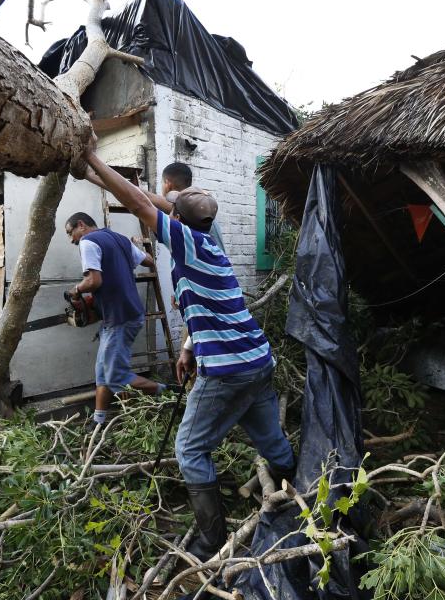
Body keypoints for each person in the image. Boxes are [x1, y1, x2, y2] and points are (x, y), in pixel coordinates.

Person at [82, 150, 295, 560]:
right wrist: (188, 347)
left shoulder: (186, 242)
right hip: (257, 361)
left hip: (229, 370)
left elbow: (143, 204)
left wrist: (92, 160)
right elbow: (159, 202)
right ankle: (295, 485)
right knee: (270, 439)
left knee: (191, 449)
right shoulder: (208, 243)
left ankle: (210, 537)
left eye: (171, 210)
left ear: (176, 220)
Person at [64, 212, 169, 429]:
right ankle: (98, 421)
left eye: (70, 232)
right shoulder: (118, 238)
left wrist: (75, 290)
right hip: (125, 313)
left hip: (120, 317)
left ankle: (166, 392)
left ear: (81, 225)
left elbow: (93, 280)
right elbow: (149, 261)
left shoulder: (88, 241)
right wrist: (134, 248)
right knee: (103, 372)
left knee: (114, 377)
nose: (71, 239)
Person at [82, 161, 225, 251]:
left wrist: (91, 175)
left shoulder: (184, 209)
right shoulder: (198, 208)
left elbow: (139, 198)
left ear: (168, 183)